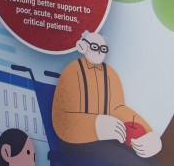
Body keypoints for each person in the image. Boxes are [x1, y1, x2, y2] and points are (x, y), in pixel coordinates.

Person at [52, 30, 163, 164]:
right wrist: (95, 125)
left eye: (103, 48)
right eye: (94, 47)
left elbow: (119, 109)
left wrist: (148, 133)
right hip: (75, 142)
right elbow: (62, 120)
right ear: (82, 46)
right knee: (130, 161)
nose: (99, 51)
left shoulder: (111, 74)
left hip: (108, 139)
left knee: (150, 161)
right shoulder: (72, 71)